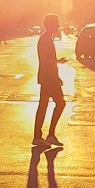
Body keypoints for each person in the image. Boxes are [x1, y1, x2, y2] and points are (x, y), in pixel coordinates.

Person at [32, 12, 66, 151]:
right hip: (48, 78)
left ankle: (44, 135)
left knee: (45, 104)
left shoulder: (46, 39)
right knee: (58, 103)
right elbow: (46, 60)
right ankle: (44, 135)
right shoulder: (45, 39)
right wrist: (56, 68)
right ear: (51, 24)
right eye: (56, 23)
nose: (58, 25)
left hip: (48, 77)